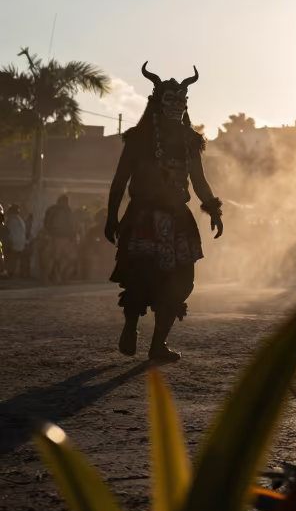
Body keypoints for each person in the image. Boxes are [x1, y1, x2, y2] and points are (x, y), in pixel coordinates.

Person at [105, 63, 223, 362]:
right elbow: (121, 180)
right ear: (158, 103)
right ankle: (131, 328)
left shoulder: (191, 140)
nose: (177, 106)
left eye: (181, 101)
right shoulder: (138, 138)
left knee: (181, 283)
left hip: (177, 219)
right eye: (171, 100)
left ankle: (158, 344)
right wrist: (111, 216)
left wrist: (213, 210)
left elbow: (198, 180)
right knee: (138, 279)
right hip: (143, 216)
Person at [43, 194, 78, 281]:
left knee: (61, 257)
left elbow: (46, 223)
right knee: (59, 257)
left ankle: (56, 274)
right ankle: (56, 274)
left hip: (60, 237)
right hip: (59, 237)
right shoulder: (61, 210)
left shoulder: (56, 210)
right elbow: (72, 224)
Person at [4, 203, 27, 278]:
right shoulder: (20, 219)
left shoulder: (11, 219)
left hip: (14, 244)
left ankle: (10, 272)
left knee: (10, 257)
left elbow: (8, 233)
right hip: (21, 243)